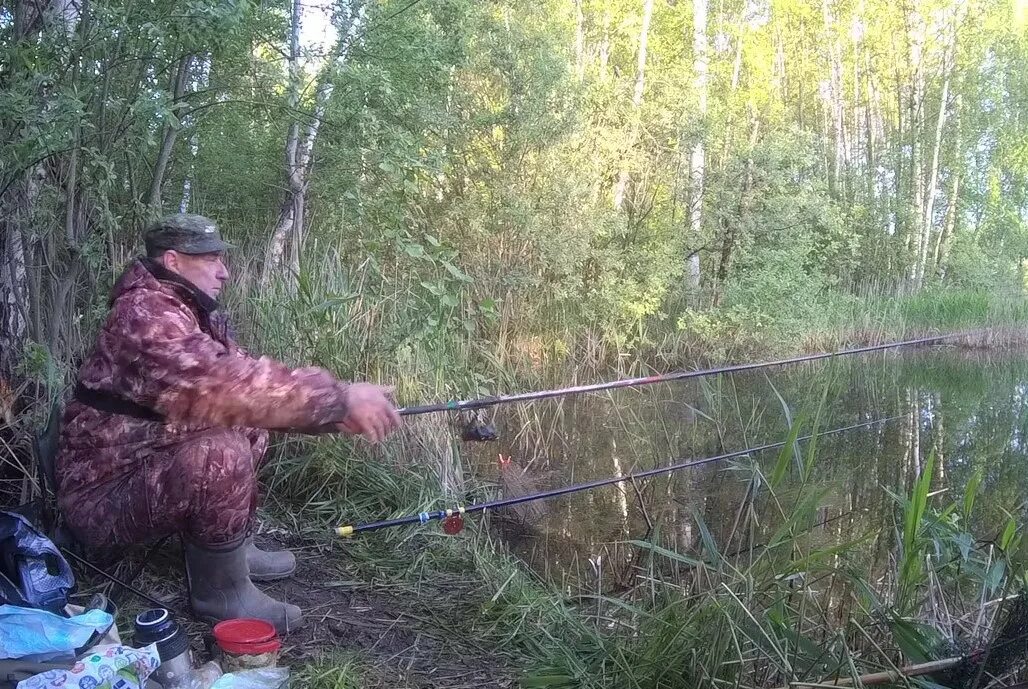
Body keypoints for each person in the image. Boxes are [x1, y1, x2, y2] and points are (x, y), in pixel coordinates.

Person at [55, 214, 401, 633]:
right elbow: (226, 387)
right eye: (212, 260)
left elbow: (246, 388)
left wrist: (333, 413)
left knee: (246, 427)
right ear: (174, 260)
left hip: (144, 458)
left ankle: (233, 547)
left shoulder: (187, 309)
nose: (225, 272)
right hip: (101, 497)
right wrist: (338, 398)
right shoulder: (145, 315)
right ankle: (221, 592)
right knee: (219, 453)